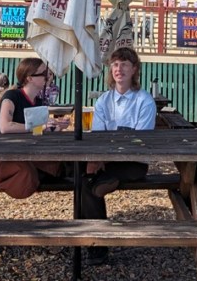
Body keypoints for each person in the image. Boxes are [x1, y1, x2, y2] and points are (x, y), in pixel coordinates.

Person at [80, 47, 156, 265]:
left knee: (89, 183)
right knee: (83, 181)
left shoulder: (144, 101)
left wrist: (103, 158)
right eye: (115, 64)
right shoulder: (103, 101)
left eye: (124, 64)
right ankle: (94, 244)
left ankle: (97, 248)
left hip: (133, 162)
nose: (118, 69)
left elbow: (139, 141)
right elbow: (98, 136)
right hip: (106, 160)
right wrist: (97, 158)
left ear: (134, 69)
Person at [0, 58, 70, 199]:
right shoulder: (12, 96)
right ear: (29, 78)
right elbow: (5, 127)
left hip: (20, 153)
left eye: (49, 73)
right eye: (44, 73)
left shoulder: (38, 102)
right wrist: (41, 127)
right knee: (27, 174)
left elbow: (35, 131)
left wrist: (53, 128)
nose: (48, 76)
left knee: (58, 164)